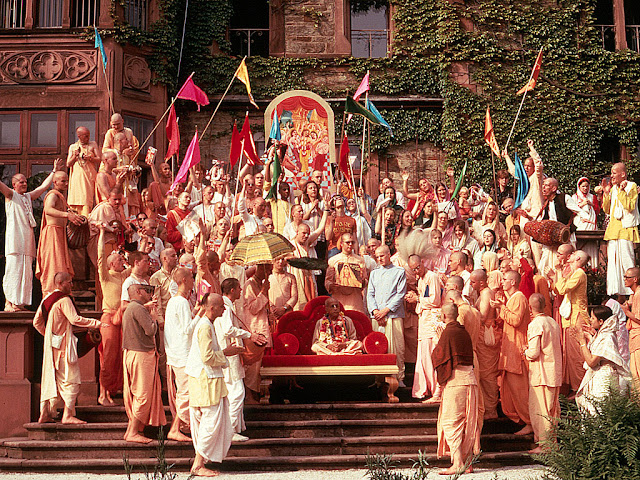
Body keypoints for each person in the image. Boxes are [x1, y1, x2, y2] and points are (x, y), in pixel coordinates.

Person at [33, 272, 104, 424]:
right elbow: (75, 319)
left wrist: (49, 336)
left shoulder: (47, 299)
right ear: (61, 283)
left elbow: (36, 322)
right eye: (69, 282)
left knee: (50, 378)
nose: (72, 285)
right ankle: (67, 415)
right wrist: (96, 323)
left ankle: (44, 414)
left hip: (51, 345)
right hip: (64, 346)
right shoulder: (64, 300)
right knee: (71, 379)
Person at [186, 293, 245, 476]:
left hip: (208, 380)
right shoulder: (204, 326)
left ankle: (200, 462)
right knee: (210, 423)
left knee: (211, 422)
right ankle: (197, 465)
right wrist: (228, 352)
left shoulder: (207, 324)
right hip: (206, 380)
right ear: (211, 308)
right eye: (221, 306)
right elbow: (207, 357)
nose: (224, 309)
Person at [1, 158, 63, 311]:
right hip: (14, 243)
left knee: (25, 273)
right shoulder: (11, 196)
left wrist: (54, 171)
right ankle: (9, 302)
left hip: (27, 243)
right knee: (14, 271)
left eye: (24, 181)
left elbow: (43, 187)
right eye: (20, 182)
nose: (24, 183)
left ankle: (19, 303)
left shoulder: (28, 197)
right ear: (14, 185)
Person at [432, 303, 479, 475]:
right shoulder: (463, 331)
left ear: (444, 316)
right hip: (470, 380)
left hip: (456, 381)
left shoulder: (448, 332)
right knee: (466, 421)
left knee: (451, 421)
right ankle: (467, 462)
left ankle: (458, 463)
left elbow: (439, 357)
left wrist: (438, 342)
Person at [217, 278, 266, 441]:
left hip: (231, 353)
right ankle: (229, 431)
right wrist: (249, 335)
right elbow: (227, 330)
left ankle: (234, 428)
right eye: (239, 288)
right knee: (237, 392)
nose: (241, 291)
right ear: (232, 290)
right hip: (228, 353)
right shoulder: (225, 306)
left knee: (235, 392)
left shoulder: (229, 305)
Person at [122, 283, 166, 443]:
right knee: (143, 395)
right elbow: (150, 330)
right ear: (138, 292)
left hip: (133, 354)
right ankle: (133, 431)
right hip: (141, 355)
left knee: (138, 393)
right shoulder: (138, 308)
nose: (148, 294)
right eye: (146, 291)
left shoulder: (131, 309)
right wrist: (153, 318)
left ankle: (130, 431)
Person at [490, 270, 532, 434]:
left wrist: (502, 307)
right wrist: (499, 306)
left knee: (519, 390)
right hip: (509, 349)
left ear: (513, 282)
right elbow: (503, 320)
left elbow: (515, 320)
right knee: (508, 391)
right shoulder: (511, 299)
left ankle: (529, 422)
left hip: (517, 350)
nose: (502, 282)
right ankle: (523, 420)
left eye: (505, 279)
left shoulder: (520, 298)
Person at [574, 305, 631, 415]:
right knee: (593, 409)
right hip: (599, 374)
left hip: (604, 375)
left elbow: (591, 361)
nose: (590, 320)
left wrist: (582, 342)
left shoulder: (607, 336)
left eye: (592, 318)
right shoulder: (602, 335)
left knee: (599, 411)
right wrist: (590, 338)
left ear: (600, 321)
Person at [164, 267, 200, 442]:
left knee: (184, 392)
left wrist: (196, 313)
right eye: (192, 278)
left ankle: (183, 425)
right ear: (185, 280)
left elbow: (182, 326)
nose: (193, 281)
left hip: (176, 352)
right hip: (182, 353)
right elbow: (187, 330)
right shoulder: (181, 302)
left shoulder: (174, 301)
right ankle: (175, 428)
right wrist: (202, 317)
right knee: (185, 392)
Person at [523, 293, 562, 454]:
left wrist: (525, 351)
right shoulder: (552, 322)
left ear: (530, 307)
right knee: (552, 409)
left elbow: (533, 352)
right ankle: (551, 442)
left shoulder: (535, 324)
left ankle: (544, 445)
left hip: (541, 374)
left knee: (541, 409)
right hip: (554, 371)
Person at [96, 225, 130, 406]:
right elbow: (101, 256)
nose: (122, 261)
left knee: (121, 356)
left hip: (122, 318)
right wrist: (102, 234)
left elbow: (135, 266)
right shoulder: (106, 276)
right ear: (111, 264)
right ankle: (103, 394)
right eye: (119, 259)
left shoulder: (124, 275)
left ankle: (114, 392)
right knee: (108, 356)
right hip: (109, 317)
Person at [36, 171, 84, 296]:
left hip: (59, 234)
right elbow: (48, 209)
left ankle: (60, 293)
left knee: (60, 265)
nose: (66, 183)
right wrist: (67, 215)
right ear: (55, 182)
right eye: (63, 181)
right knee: (53, 265)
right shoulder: (53, 195)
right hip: (52, 234)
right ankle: (51, 293)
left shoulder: (60, 197)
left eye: (67, 181)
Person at [367, 245, 408, 383]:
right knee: (378, 347)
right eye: (377, 257)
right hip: (377, 316)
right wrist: (375, 311)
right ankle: (378, 378)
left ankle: (399, 377)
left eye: (382, 256)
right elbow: (370, 294)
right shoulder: (374, 273)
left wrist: (386, 310)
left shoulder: (399, 272)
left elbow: (400, 294)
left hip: (393, 315)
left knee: (396, 347)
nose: (380, 259)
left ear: (389, 255)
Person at [552, 250, 589, 395]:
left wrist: (558, 273)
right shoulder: (574, 273)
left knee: (577, 356)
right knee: (570, 356)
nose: (570, 256)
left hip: (577, 318)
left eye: (572, 254)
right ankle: (575, 389)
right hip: (570, 318)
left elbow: (561, 289)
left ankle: (581, 391)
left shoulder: (579, 273)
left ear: (578, 258)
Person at [408, 255, 444, 401]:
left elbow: (435, 300)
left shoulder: (432, 277)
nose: (416, 271)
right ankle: (425, 388)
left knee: (430, 354)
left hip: (432, 320)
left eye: (418, 267)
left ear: (423, 262)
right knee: (423, 355)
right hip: (424, 319)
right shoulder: (421, 279)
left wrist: (417, 299)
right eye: (413, 270)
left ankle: (436, 390)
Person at [603, 162, 640, 297]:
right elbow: (607, 209)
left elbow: (629, 206)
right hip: (613, 231)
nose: (611, 175)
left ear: (622, 174)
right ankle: (618, 296)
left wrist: (622, 191)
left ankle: (633, 296)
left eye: (614, 172)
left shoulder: (632, 186)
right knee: (613, 265)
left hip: (625, 229)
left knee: (627, 262)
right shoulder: (613, 189)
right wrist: (606, 194)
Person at [470, 269, 501, 419]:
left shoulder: (487, 293)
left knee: (488, 375)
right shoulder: (482, 293)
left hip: (487, 335)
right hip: (482, 335)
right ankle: (486, 408)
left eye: (473, 282)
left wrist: (467, 310)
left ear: (481, 282)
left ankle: (491, 410)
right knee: (482, 373)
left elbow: (481, 317)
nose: (471, 284)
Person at [243, 264, 272, 404]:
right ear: (261, 269)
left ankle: (255, 395)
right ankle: (249, 396)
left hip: (262, 326)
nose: (271, 272)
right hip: (253, 328)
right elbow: (253, 308)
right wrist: (263, 292)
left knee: (258, 365)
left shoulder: (259, 283)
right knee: (252, 365)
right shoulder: (249, 284)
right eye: (269, 270)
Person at [325, 233, 368, 314]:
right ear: (341, 244)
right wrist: (332, 286)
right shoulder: (333, 260)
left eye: (352, 242)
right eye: (347, 242)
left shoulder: (360, 260)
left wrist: (362, 282)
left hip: (355, 299)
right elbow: (327, 281)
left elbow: (365, 280)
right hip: (339, 298)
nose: (350, 244)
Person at [67, 126, 101, 217]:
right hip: (77, 178)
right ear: (79, 136)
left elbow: (99, 159)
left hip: (89, 177)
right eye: (85, 136)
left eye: (88, 135)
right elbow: (68, 164)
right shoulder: (73, 147)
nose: (88, 138)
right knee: (76, 199)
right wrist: (75, 156)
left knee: (87, 199)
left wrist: (90, 158)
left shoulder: (93, 144)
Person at [573, 177, 599, 266]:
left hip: (591, 225)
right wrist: (581, 205)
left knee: (591, 246)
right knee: (580, 245)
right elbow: (571, 211)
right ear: (579, 187)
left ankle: (592, 267)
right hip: (580, 225)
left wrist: (591, 204)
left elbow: (597, 210)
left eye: (587, 186)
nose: (585, 188)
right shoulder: (574, 197)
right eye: (583, 186)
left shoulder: (592, 197)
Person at [622, 267, 640, 383]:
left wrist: (627, 312)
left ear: (635, 279)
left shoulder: (638, 294)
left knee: (637, 373)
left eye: (627, 277)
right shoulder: (634, 295)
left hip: (638, 336)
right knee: (634, 372)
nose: (624, 279)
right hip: (634, 336)